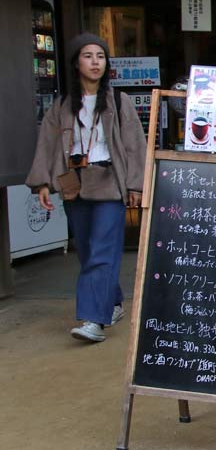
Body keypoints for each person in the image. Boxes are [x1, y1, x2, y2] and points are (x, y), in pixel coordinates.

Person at [25, 32, 147, 343]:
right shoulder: (62, 105)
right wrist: (41, 183)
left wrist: (136, 185)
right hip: (74, 185)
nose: (95, 62)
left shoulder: (120, 102)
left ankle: (93, 319)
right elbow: (47, 145)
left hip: (109, 184)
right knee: (88, 251)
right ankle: (113, 302)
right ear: (76, 62)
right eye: (88, 56)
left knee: (102, 252)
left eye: (100, 56)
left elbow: (135, 146)